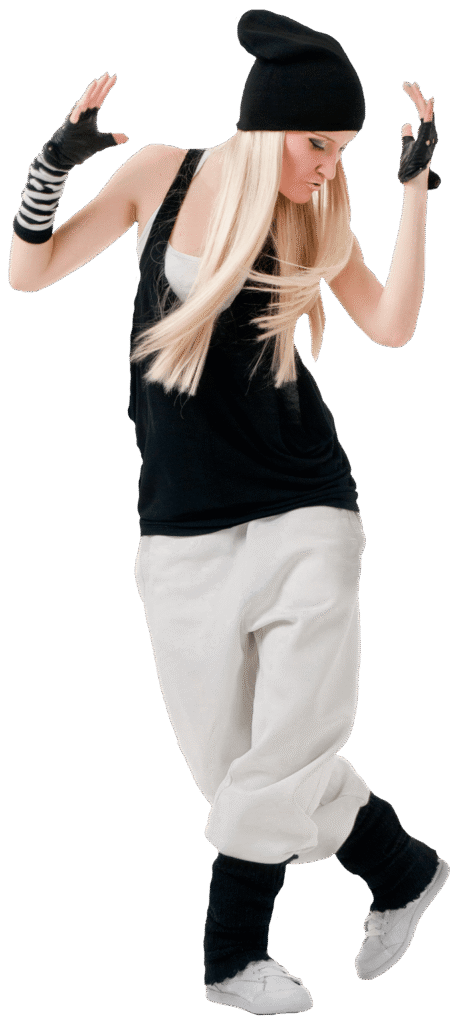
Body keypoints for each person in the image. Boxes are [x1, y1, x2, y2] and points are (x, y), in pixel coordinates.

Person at [9, 8, 448, 1016]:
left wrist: (414, 194)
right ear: (269, 124)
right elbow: (28, 269)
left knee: (282, 755)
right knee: (243, 774)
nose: (328, 168)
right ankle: (404, 867)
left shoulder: (314, 220)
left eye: (341, 151)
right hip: (181, 525)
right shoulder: (159, 176)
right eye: (318, 144)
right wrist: (51, 163)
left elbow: (390, 324)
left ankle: (231, 955)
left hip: (306, 512)